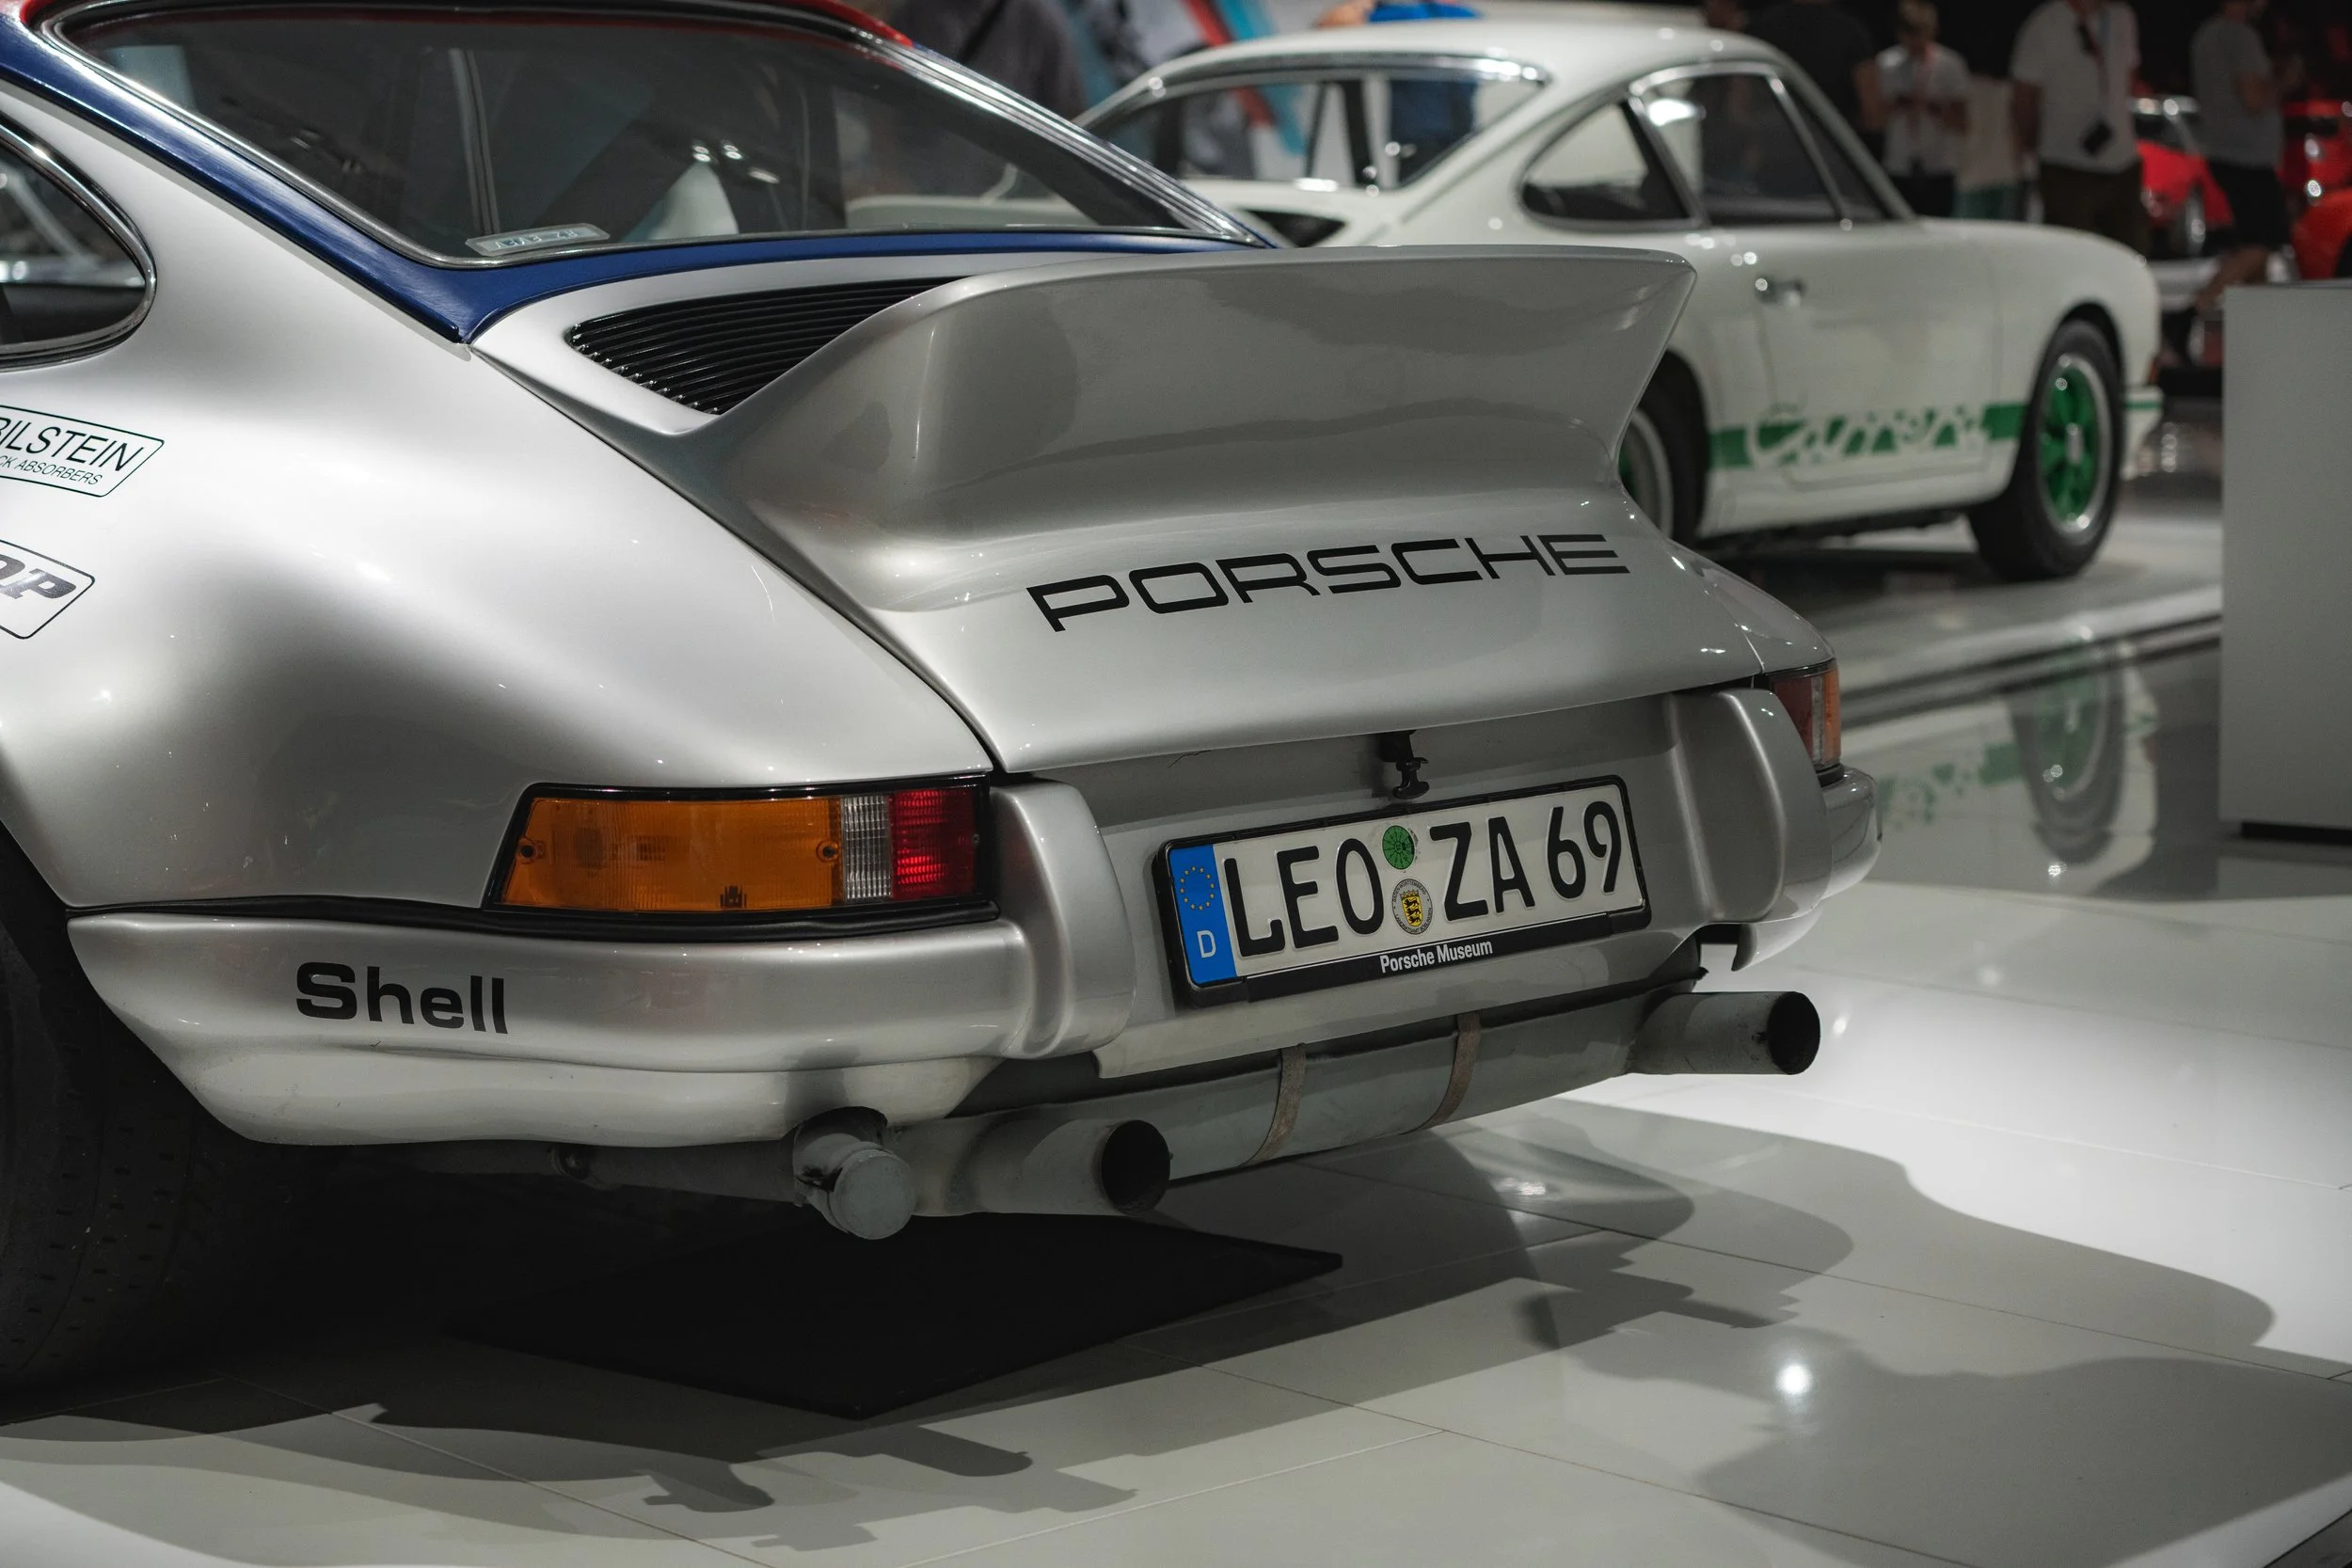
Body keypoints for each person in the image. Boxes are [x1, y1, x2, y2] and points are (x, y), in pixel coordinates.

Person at [2010, 0, 2148, 250]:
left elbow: (2129, 77)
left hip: (2122, 162)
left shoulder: (2122, 18)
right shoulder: (2045, 24)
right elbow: (2024, 97)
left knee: (2131, 253)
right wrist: (2031, 146)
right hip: (2066, 165)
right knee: (2071, 256)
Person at [2190, 0, 2288, 319]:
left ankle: (2258, 320)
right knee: (2265, 239)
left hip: (2225, 151)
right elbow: (2254, 98)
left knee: (2253, 243)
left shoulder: (2206, 35)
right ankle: (2197, 305)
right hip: (2248, 157)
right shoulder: (2240, 36)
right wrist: (2284, 83)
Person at [894, 0, 1088, 116]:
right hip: (919, 165)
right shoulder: (917, 8)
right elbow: (890, 84)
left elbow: (1071, 115)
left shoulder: (1040, 20)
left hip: (1007, 177)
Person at [1877, 0, 1970, 215]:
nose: (1914, 40)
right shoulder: (1886, 64)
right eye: (1908, 32)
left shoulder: (1950, 65)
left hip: (1938, 166)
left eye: (1919, 32)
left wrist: (1933, 107)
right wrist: (1899, 105)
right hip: (1899, 164)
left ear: (1933, 30)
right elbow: (1875, 117)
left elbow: (1962, 122)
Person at [1748, 0, 1883, 134]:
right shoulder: (1850, 31)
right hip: (1829, 145)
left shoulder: (1760, 29)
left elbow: (1740, 108)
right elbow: (1872, 114)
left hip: (1772, 141)